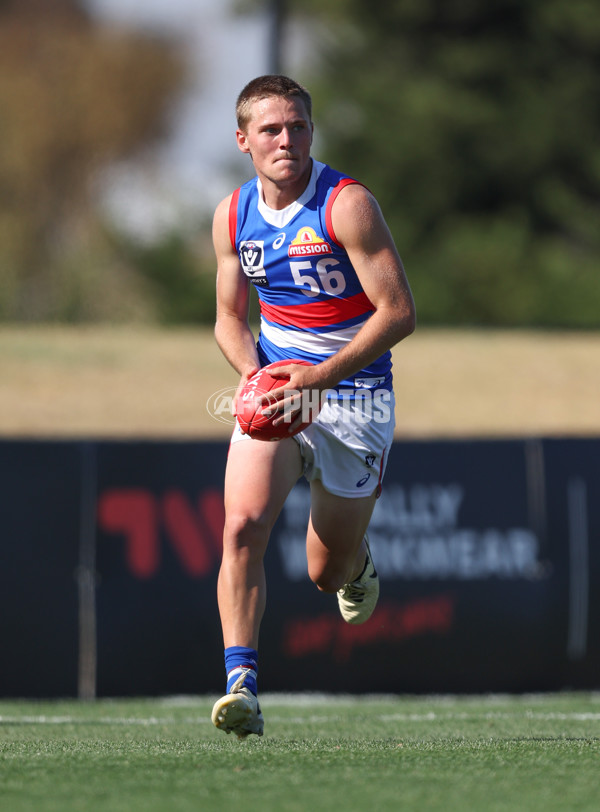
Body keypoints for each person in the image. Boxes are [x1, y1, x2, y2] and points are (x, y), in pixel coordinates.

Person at [210, 75, 416, 739]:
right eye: (271, 129)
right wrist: (258, 379)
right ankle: (241, 687)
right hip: (280, 389)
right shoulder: (232, 214)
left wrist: (316, 380)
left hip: (355, 396)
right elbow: (226, 319)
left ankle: (358, 566)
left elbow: (398, 313)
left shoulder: (348, 204)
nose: (287, 140)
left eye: (298, 126)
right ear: (243, 140)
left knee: (324, 574)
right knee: (241, 527)